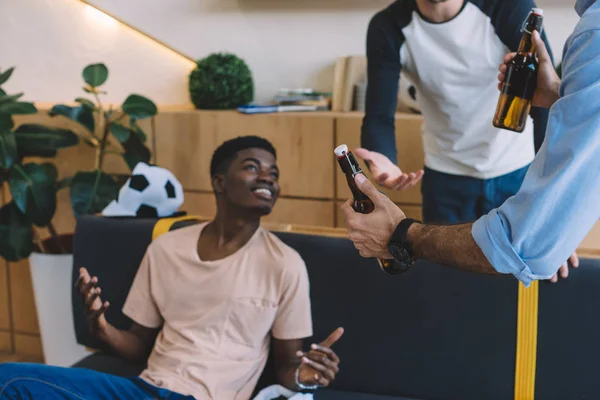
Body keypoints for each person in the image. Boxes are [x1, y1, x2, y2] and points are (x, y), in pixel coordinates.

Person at [0, 136, 343, 399]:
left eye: (274, 173)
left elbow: (287, 365)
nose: (267, 177)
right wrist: (101, 328)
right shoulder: (166, 248)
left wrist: (304, 375)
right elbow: (139, 343)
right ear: (219, 182)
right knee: (10, 381)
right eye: (253, 167)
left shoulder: (284, 264)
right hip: (143, 390)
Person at [342, 0, 599, 287]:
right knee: (448, 285)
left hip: (516, 171)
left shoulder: (509, 7)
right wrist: (382, 156)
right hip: (446, 179)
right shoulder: (387, 26)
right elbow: (379, 114)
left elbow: (546, 105)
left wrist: (551, 212)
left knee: (518, 283)